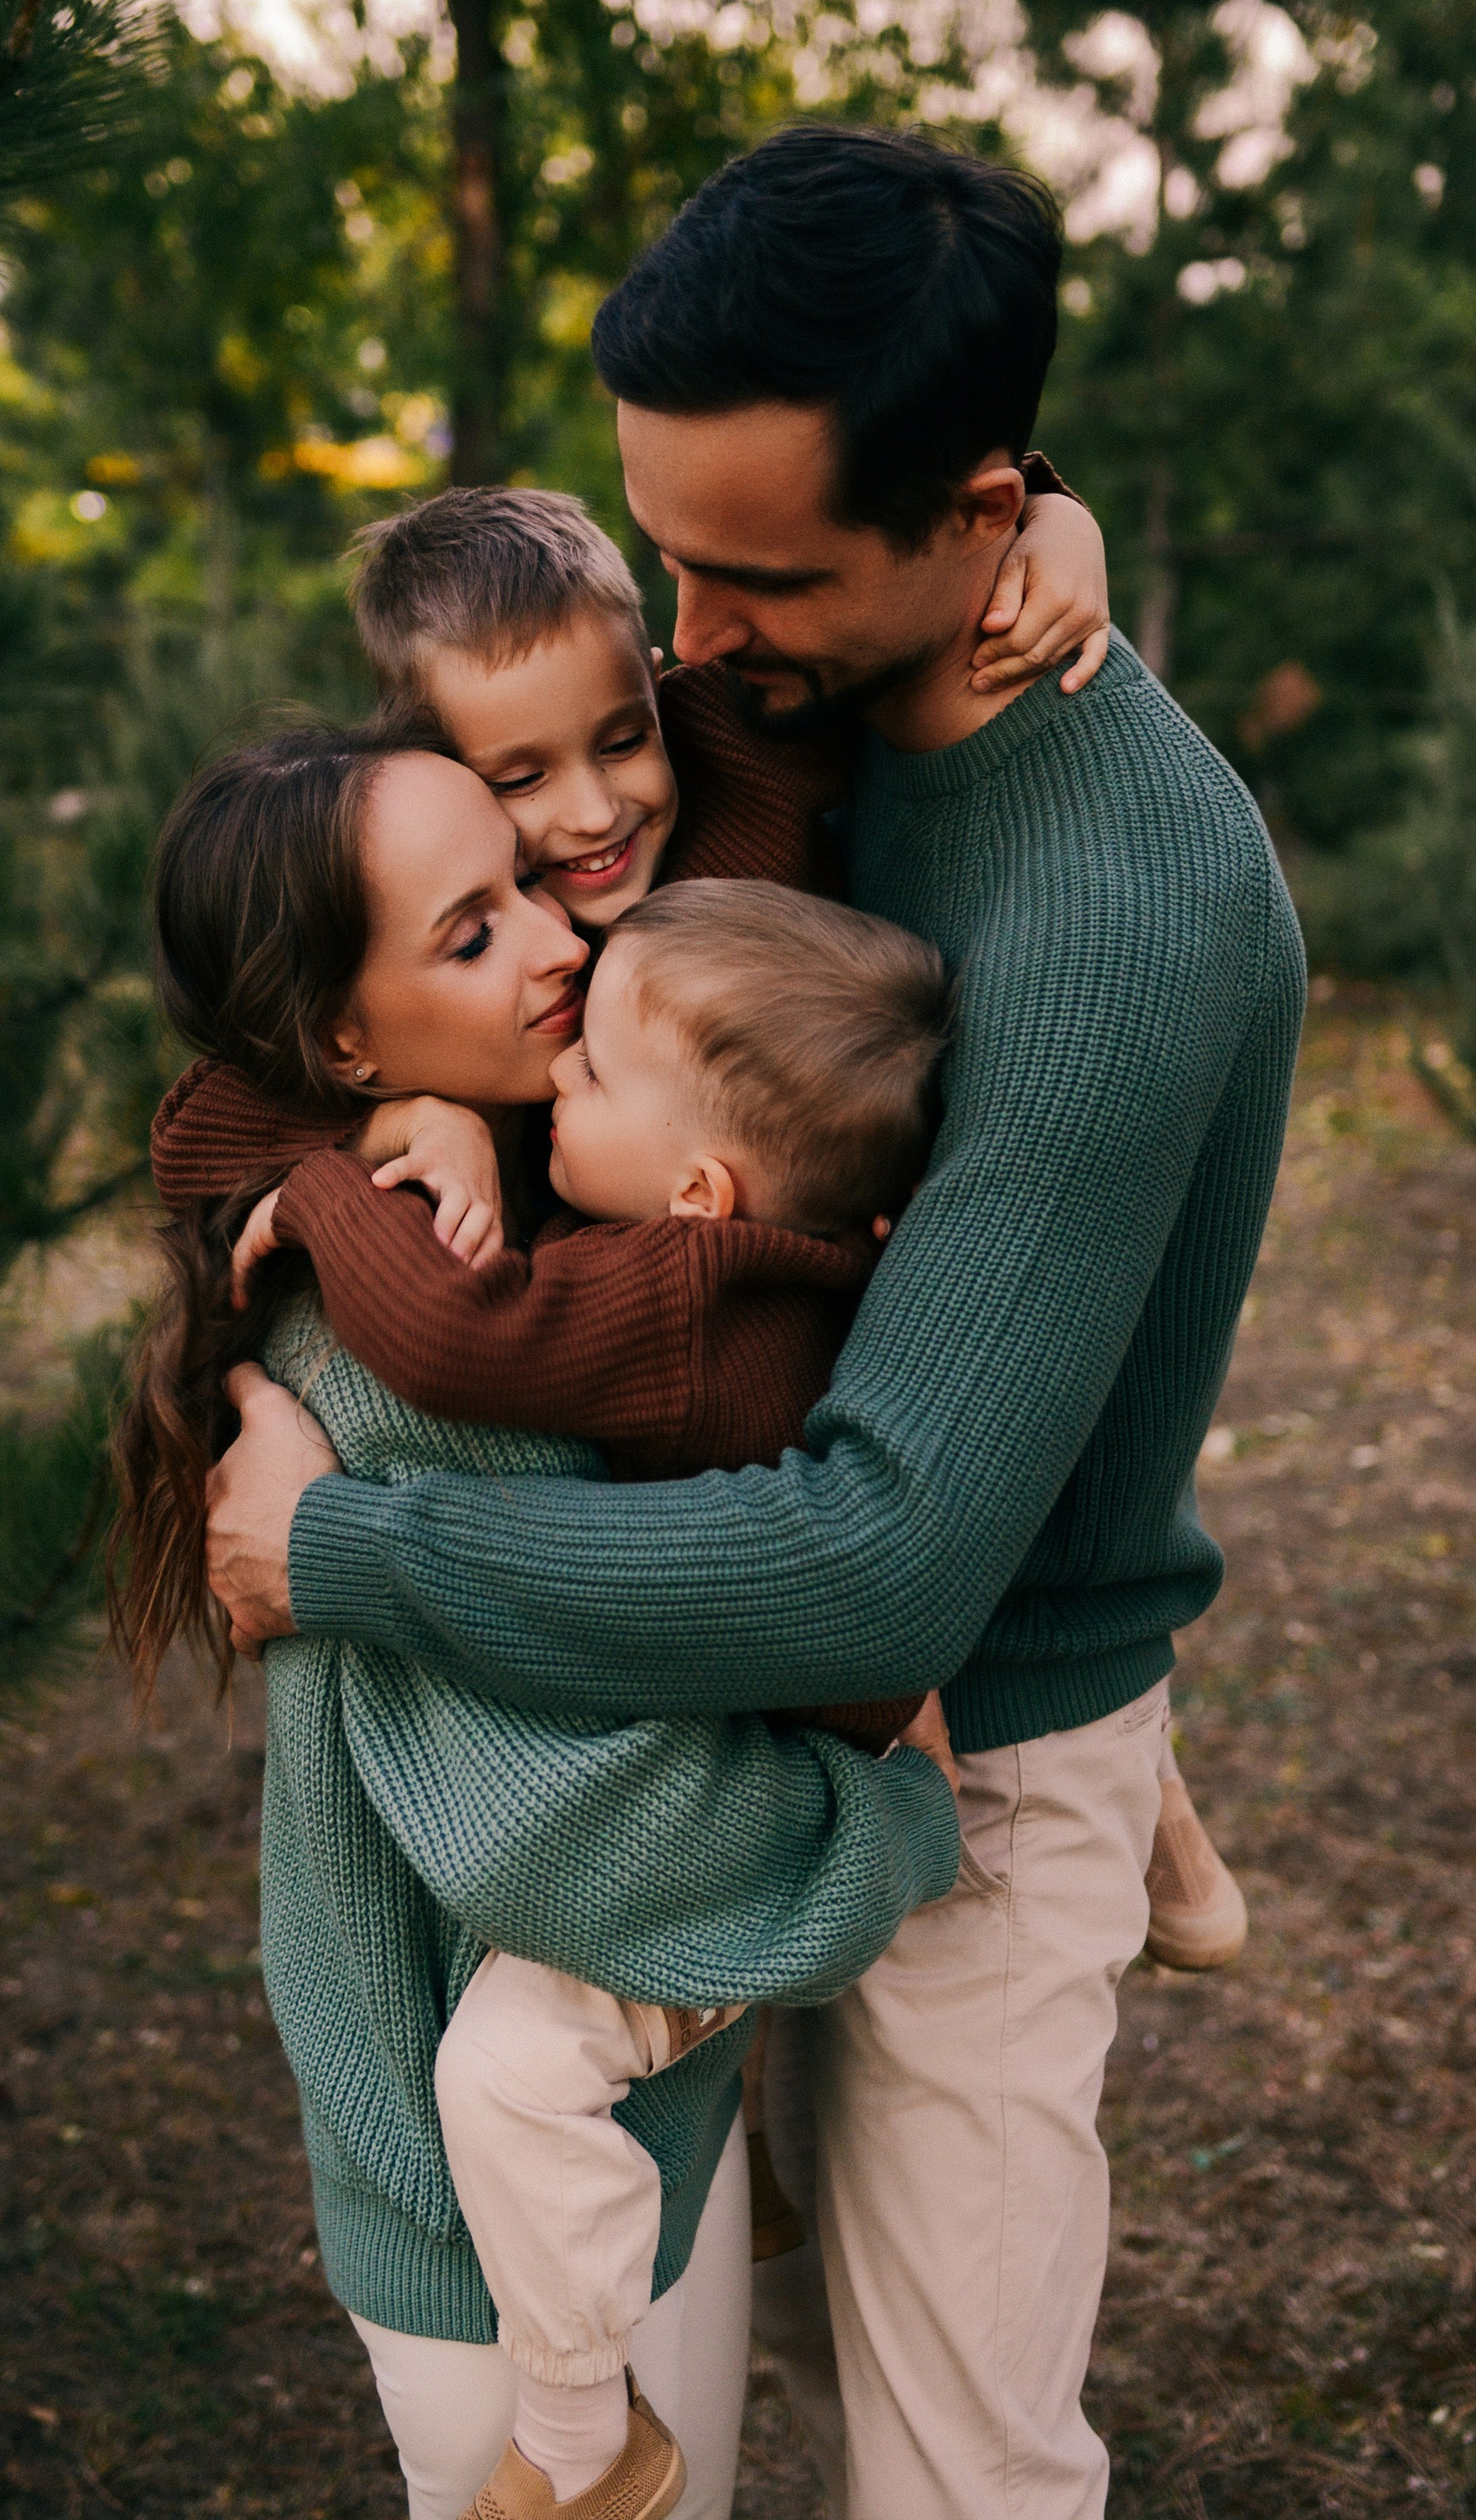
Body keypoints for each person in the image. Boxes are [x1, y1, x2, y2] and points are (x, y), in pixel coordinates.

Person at [204, 123, 1305, 2520]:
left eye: (761, 581)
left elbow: (884, 1563)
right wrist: (387, 1117)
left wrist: (347, 1552)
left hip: (961, 1746)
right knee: (789, 2406)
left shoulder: (1124, 898)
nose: (696, 650)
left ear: (981, 523)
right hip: (724, 1733)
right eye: (668, 558)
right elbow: (355, 958)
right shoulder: (780, 704)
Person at [111, 723, 962, 2520]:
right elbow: (568, 1832)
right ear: (343, 1035)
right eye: (474, 927)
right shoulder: (413, 1361)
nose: (565, 938)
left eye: (521, 877)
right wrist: (891, 1820)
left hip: (615, 2122)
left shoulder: (523, 1193)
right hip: (489, 2171)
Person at [159, 475, 1246, 1974]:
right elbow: (202, 1125)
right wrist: (403, 1122)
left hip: (886, 1251)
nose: (593, 811)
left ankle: (1129, 1780)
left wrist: (1050, 521)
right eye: (520, 779)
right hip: (713, 1333)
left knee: (950, 1528)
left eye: (621, 738)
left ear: (655, 691)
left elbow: (881, 588)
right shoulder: (484, 958)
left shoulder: (728, 763)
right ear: (447, 782)